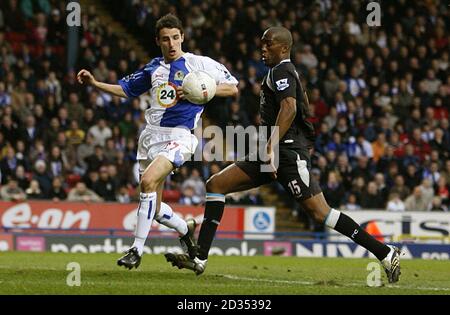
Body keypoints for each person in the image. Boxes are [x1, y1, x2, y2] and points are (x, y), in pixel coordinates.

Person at [165, 26, 401, 283]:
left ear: (284, 48)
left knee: (321, 214)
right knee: (216, 184)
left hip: (285, 152)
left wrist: (271, 147)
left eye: (268, 45)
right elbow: (300, 105)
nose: (262, 49)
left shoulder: (283, 71)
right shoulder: (281, 73)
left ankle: (385, 252)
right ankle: (200, 257)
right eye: (262, 44)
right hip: (273, 151)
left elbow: (289, 107)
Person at [77, 14, 238, 269]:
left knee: (147, 181)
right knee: (154, 205)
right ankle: (185, 230)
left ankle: (135, 250)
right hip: (150, 137)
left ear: (182, 37)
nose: (172, 43)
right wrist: (95, 83)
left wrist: (205, 90)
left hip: (181, 137)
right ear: (158, 42)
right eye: (166, 39)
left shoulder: (200, 63)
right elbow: (125, 90)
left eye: (175, 37)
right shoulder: (153, 68)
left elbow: (232, 87)